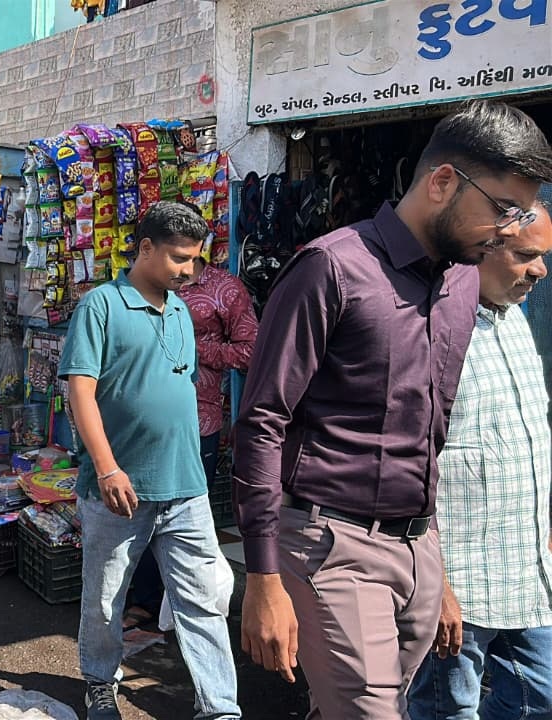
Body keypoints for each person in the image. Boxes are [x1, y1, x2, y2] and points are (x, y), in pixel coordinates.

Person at [234, 100, 552, 717]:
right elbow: (263, 421)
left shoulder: (462, 283)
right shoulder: (331, 269)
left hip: (419, 547)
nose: (509, 230)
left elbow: (432, 429)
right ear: (442, 182)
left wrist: (434, 563)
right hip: (331, 542)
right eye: (503, 208)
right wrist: (263, 576)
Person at [58, 201, 241, 720]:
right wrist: (107, 467)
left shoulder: (180, 310)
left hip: (186, 486)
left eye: (195, 260)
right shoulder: (101, 306)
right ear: (144, 248)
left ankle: (220, 706)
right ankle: (99, 681)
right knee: (105, 600)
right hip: (119, 490)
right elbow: (80, 390)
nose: (189, 270)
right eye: (179, 258)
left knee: (203, 601)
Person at [406, 204, 552, 720]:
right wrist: (434, 584)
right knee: (449, 709)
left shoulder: (515, 321)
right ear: (483, 249)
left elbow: (527, 437)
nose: (540, 271)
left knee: (542, 695)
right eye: (526, 255)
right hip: (459, 581)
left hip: (527, 570)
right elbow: (411, 465)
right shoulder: (432, 327)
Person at [124, 249, 259, 630]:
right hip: (138, 420)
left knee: (183, 517)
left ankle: (185, 606)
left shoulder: (225, 290)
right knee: (139, 508)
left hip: (197, 423)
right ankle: (145, 599)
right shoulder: (139, 286)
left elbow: (251, 350)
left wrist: (194, 347)